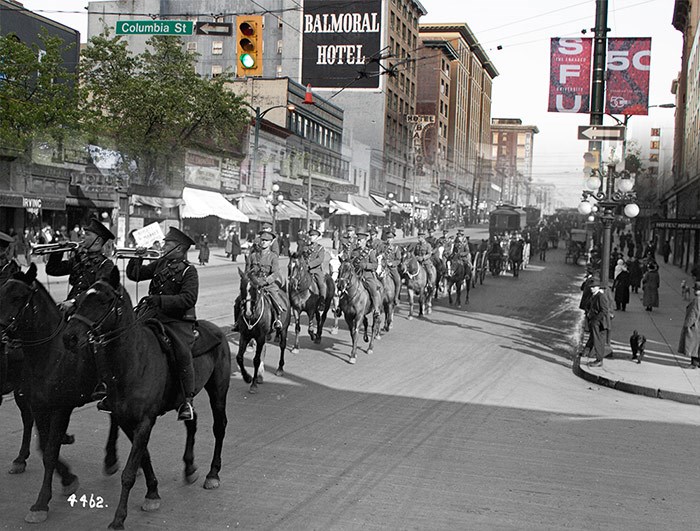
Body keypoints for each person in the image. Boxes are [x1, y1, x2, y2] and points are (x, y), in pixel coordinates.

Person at [126, 227, 198, 421]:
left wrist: (160, 300)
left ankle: (187, 401)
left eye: (167, 243)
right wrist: (137, 257)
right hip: (152, 314)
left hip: (177, 320)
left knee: (181, 352)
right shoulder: (161, 264)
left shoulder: (189, 271)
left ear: (179, 248)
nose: (163, 245)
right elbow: (136, 275)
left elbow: (189, 299)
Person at [46, 218, 116, 404]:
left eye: (87, 235)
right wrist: (57, 250)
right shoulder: (80, 260)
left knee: (95, 344)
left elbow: (97, 289)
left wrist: (74, 302)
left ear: (98, 241)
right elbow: (52, 269)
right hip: (72, 310)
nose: (83, 238)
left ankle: (101, 384)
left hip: (90, 313)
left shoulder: (106, 265)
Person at [232, 231, 287, 332]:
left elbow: (275, 273)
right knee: (238, 301)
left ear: (271, 243)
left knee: (276, 300)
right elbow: (247, 271)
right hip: (253, 284)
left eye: (266, 241)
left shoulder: (273, 257)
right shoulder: (253, 256)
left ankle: (277, 320)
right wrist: (247, 279)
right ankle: (237, 323)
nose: (264, 242)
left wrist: (266, 281)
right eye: (262, 240)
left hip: (267, 285)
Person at [348, 232, 382, 316]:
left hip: (367, 275)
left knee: (373, 289)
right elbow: (350, 263)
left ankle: (376, 309)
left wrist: (365, 265)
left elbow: (375, 265)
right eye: (358, 240)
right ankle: (340, 307)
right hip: (356, 275)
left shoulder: (370, 252)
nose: (358, 242)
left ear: (365, 241)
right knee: (344, 287)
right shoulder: (354, 252)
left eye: (360, 240)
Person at [585, 279, 611, 367]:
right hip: (596, 322)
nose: (592, 289)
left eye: (593, 287)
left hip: (600, 323)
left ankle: (599, 360)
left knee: (598, 341)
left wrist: (595, 320)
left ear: (598, 287)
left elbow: (604, 310)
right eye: (591, 287)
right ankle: (589, 352)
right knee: (595, 339)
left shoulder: (601, 296)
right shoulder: (594, 295)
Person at [303, 228, 327, 310]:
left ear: (317, 237)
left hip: (316, 270)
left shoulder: (320, 248)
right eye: (310, 235)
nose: (311, 237)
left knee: (321, 283)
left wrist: (309, 265)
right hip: (305, 270)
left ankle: (322, 301)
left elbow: (320, 259)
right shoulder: (305, 248)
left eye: (313, 236)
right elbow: (302, 257)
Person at [679, 281, 700, 369]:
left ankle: (694, 363)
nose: (694, 291)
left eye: (696, 290)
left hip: (696, 326)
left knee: (693, 344)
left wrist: (687, 325)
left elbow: (693, 313)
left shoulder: (697, 300)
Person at [381, 230, 402, 306]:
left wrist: (392, 263)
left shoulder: (396, 248)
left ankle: (396, 297)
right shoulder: (383, 247)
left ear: (393, 239)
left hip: (392, 268)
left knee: (398, 280)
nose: (389, 240)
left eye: (390, 238)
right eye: (387, 238)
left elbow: (399, 260)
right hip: (383, 267)